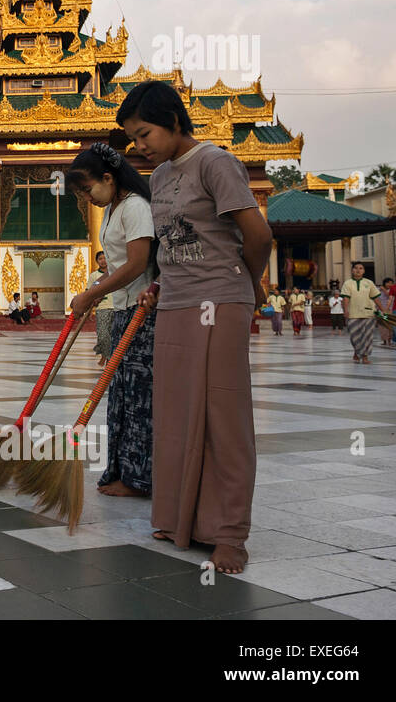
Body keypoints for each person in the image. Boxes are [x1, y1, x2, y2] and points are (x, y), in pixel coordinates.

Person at [120, 79, 271, 575]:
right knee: (176, 414)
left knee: (222, 416)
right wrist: (161, 284)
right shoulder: (160, 176)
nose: (138, 147)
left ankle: (229, 535)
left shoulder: (215, 162)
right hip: (176, 304)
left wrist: (243, 286)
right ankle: (177, 518)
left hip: (220, 300)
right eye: (133, 138)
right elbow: (170, 244)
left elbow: (258, 234)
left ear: (173, 121)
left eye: (144, 134)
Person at [67, 143, 156, 498]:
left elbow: (137, 264)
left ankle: (139, 478)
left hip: (143, 313)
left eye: (88, 189)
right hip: (121, 310)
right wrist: (96, 290)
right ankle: (119, 470)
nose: (88, 198)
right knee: (119, 395)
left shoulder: (135, 207)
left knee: (138, 398)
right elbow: (118, 268)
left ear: (108, 177)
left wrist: (92, 294)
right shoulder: (111, 210)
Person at [340, 263, 380, 364]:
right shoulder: (347, 283)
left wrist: (383, 309)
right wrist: (345, 311)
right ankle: (357, 352)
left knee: (367, 336)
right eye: (356, 268)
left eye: (361, 268)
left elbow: (375, 297)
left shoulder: (369, 283)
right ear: (352, 270)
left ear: (364, 271)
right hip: (353, 314)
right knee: (355, 336)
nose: (358, 270)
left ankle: (365, 356)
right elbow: (345, 298)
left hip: (368, 313)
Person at [88, 251, 114, 366]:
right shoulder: (94, 276)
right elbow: (89, 292)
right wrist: (89, 310)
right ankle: (106, 355)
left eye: (105, 258)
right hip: (102, 307)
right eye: (100, 259)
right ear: (97, 261)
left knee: (113, 334)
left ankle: (109, 358)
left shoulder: (115, 273)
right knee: (103, 334)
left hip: (116, 307)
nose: (103, 261)